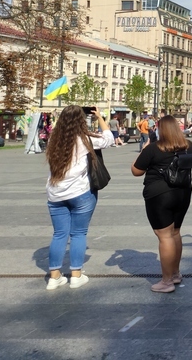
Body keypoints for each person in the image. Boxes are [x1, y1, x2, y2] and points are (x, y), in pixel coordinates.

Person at [44, 106, 114, 290]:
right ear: (81, 121)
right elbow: (109, 139)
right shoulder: (86, 139)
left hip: (55, 194)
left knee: (59, 234)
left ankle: (54, 277)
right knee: (78, 233)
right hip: (80, 193)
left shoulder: (53, 139)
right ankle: (76, 275)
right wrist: (99, 116)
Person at [131, 116, 192, 293]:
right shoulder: (188, 146)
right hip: (183, 192)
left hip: (159, 195)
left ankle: (166, 282)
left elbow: (136, 170)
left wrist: (143, 151)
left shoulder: (153, 148)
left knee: (164, 236)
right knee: (175, 232)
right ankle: (175, 273)